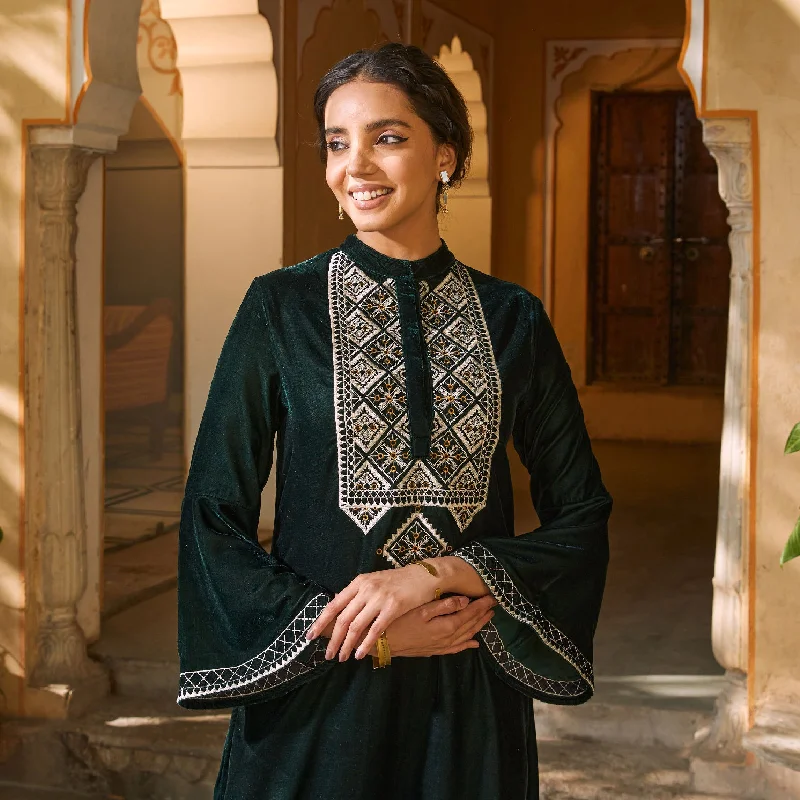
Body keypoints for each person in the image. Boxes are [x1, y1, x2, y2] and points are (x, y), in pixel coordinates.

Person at [176, 42, 612, 800]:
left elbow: (581, 514)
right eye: (337, 144)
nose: (357, 167)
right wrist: (370, 634)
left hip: (467, 694)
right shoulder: (282, 310)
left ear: (445, 152)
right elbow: (213, 514)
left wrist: (442, 575)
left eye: (388, 137)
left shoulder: (513, 320)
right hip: (319, 689)